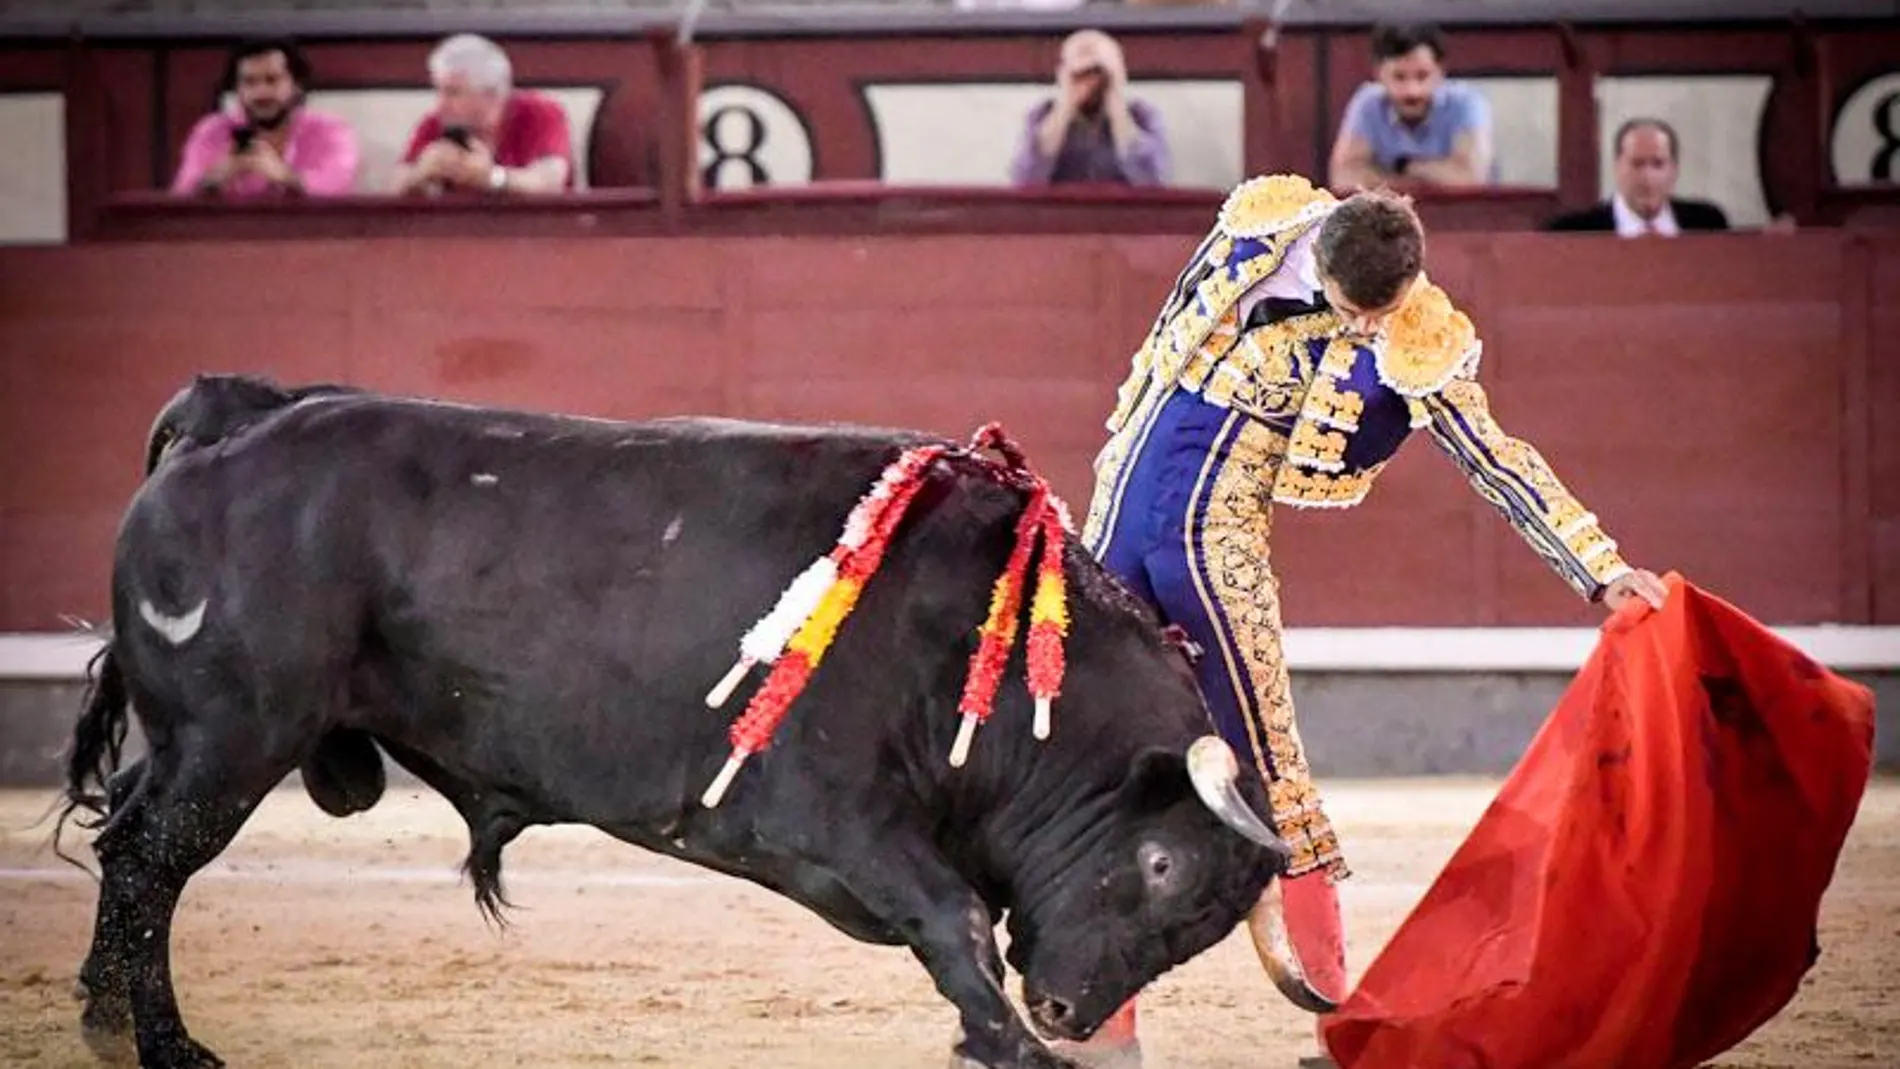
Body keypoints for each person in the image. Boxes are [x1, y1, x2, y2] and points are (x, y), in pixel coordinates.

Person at [1070, 173, 1668, 1069]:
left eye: (1375, 316)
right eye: (1352, 311)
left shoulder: (1417, 332)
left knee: (1273, 771)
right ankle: (1100, 1030)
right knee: (1097, 767)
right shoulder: (1266, 218)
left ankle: (1343, 1034)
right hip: (1120, 510)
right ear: (1321, 259)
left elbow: (1496, 458)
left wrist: (1599, 568)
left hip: (1211, 548)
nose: (1361, 330)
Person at [170, 37, 360, 199]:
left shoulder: (330, 131)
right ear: (237, 89)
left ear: (297, 85)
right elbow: (180, 196)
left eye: (272, 80)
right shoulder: (212, 130)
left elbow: (337, 185)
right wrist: (217, 176)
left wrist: (283, 176)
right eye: (249, 82)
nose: (261, 93)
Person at [391, 33, 574, 197]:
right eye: (439, 91)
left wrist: (491, 177)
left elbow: (550, 181)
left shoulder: (541, 113)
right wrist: (419, 174)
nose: (440, 103)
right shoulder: (437, 122)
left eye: (453, 93)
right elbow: (393, 187)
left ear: (491, 94)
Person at [1328, 22, 1495, 191]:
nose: (1412, 91)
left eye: (1422, 76)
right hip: (1389, 207)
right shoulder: (1367, 103)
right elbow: (1343, 178)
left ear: (1440, 72)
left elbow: (1471, 179)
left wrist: (1403, 167)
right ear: (1379, 74)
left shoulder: (1467, 102)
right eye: (1399, 77)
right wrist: (1428, 177)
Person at [1009, 29, 1171, 188]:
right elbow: (1026, 180)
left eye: (1097, 72)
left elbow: (1153, 181)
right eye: (1081, 73)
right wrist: (1067, 103)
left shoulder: (1142, 115)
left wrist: (1115, 101)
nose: (1090, 82)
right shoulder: (1042, 114)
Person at [1544, 118, 1730, 236]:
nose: (1647, 176)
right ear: (1617, 167)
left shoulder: (1707, 223)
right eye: (1637, 164)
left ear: (1674, 170)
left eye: (1658, 164)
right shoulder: (1573, 231)